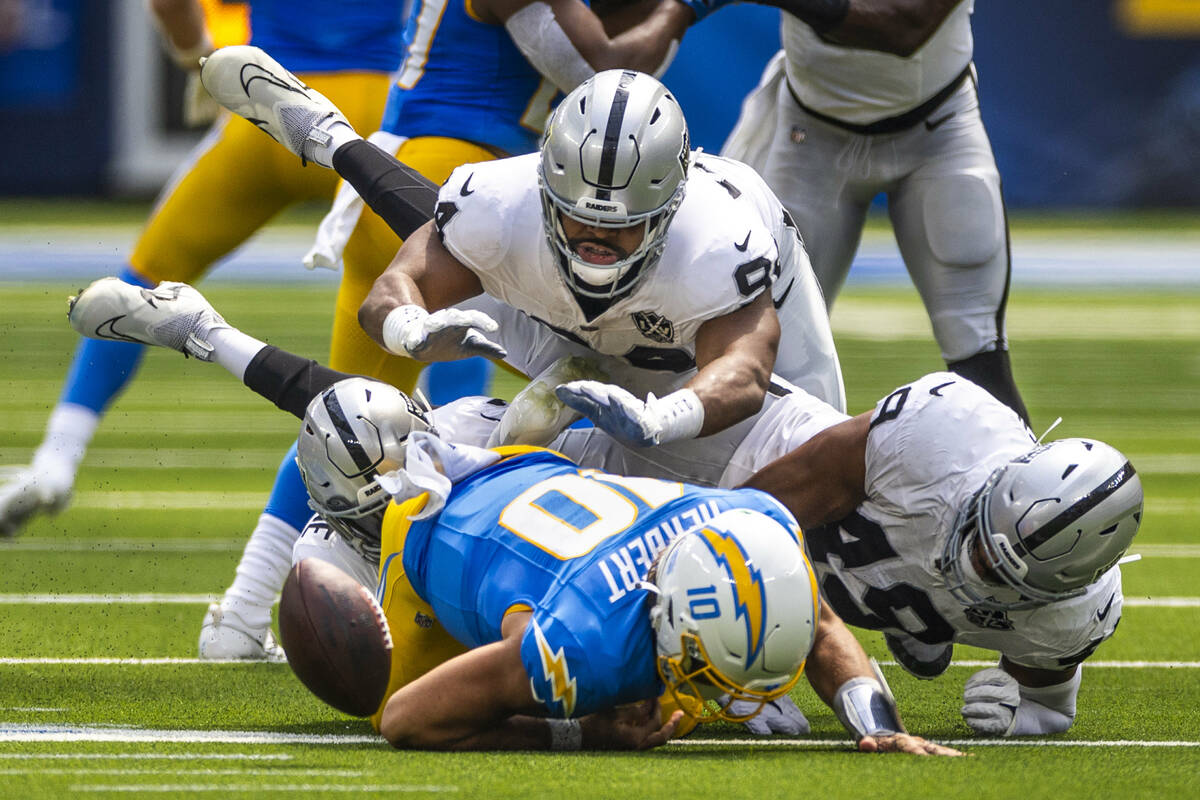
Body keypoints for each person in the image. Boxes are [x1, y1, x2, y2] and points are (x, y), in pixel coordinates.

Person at [64, 276, 962, 755]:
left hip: (529, 468)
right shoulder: (575, 643)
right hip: (435, 543)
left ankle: (205, 333)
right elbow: (405, 721)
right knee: (355, 653)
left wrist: (870, 714)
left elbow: (806, 605)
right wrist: (583, 728)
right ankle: (204, 336)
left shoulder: (732, 527)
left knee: (390, 418)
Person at [0, 0, 407, 661]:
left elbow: (169, 5)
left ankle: (57, 455)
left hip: (269, 103)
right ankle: (246, 608)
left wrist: (198, 61)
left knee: (140, 280)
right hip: (380, 121)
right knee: (373, 378)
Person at [200, 48, 848, 441]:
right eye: (576, 216)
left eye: (621, 222)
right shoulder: (507, 198)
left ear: (668, 208)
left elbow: (742, 375)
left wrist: (665, 419)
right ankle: (329, 138)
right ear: (546, 189)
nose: (596, 237)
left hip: (698, 345)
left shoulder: (719, 240)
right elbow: (402, 284)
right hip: (571, 327)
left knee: (808, 484)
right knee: (459, 246)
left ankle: (332, 139)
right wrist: (406, 330)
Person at [736, 371, 1142, 736]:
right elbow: (745, 520)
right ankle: (917, 620)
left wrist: (1020, 718)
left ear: (1062, 588)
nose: (975, 563)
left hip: (847, 579)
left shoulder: (1074, 615)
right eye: (979, 532)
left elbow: (1050, 708)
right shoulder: (945, 437)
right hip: (742, 455)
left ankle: (916, 621)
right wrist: (731, 638)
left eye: (999, 574)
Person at [722, 0, 1031, 423]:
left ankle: (1020, 487)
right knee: (776, 357)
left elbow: (903, 27)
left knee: (978, 354)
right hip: (811, 138)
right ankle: (760, 489)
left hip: (937, 134)